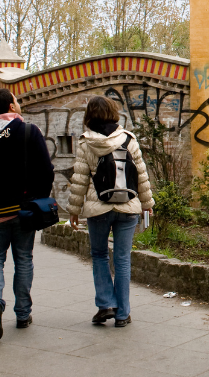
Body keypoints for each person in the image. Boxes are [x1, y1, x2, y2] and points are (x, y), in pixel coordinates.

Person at [0, 88, 54, 340]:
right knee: (23, 259)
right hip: (23, 209)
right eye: (16, 100)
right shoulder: (28, 131)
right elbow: (46, 170)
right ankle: (23, 313)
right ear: (11, 106)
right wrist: (38, 198)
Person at [67, 96, 154, 328]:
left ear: (89, 116)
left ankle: (106, 305)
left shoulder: (86, 143)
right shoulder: (129, 139)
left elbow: (80, 181)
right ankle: (123, 313)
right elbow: (141, 176)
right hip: (128, 206)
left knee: (99, 255)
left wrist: (74, 211)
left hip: (99, 209)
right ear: (113, 113)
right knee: (123, 258)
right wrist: (147, 204)